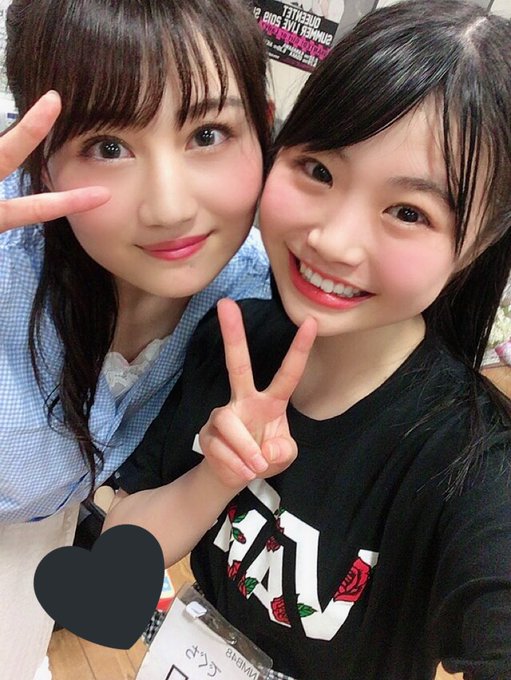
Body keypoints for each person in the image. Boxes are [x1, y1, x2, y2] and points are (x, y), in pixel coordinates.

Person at [105, 1, 511, 678]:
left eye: (407, 211)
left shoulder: (472, 465)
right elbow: (119, 554)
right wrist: (216, 476)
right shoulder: (231, 337)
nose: (332, 241)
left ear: (478, 241)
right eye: (319, 170)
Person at [0, 1, 272, 678]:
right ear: (42, 165)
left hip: (31, 569)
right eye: (108, 147)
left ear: (264, 130)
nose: (170, 207)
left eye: (207, 133)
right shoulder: (9, 265)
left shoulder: (249, 290)